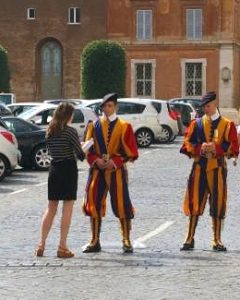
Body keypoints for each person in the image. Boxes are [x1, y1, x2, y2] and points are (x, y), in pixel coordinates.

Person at [180, 91, 239, 252]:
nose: (205, 109)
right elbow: (186, 144)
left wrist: (217, 148)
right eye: (204, 106)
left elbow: (234, 146)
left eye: (208, 106)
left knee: (218, 203)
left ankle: (217, 239)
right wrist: (200, 149)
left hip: (218, 170)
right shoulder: (196, 124)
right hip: (198, 169)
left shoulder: (227, 124)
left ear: (215, 104)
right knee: (194, 202)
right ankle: (189, 237)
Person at [82, 93, 139, 253]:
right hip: (97, 171)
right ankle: (94, 240)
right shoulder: (94, 125)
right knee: (93, 203)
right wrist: (96, 160)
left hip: (116, 171)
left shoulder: (124, 126)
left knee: (122, 204)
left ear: (115, 107)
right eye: (104, 106)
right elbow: (87, 148)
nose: (106, 109)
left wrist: (115, 161)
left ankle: (126, 239)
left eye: (109, 106)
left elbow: (131, 151)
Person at [35, 102, 85, 258]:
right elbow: (80, 154)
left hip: (54, 169)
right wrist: (84, 145)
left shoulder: (49, 131)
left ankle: (41, 244)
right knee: (67, 209)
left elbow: (52, 151)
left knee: (51, 209)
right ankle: (62, 246)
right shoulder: (70, 131)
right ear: (68, 116)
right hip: (68, 169)